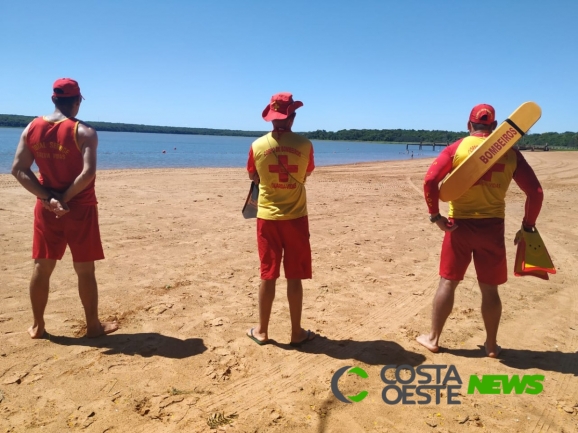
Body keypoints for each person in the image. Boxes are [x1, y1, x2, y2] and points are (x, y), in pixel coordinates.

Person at [416, 104, 543, 358]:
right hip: (492, 228)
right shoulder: (511, 153)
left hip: (458, 226)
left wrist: (435, 216)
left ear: (468, 125)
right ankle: (492, 346)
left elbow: (430, 181)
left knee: (448, 283)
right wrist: (528, 224)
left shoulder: (456, 148)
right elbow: (535, 192)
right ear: (495, 127)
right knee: (489, 289)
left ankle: (433, 339)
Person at [11, 78, 118, 339]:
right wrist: (64, 199)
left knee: (41, 267)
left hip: (47, 208)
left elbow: (18, 169)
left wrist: (49, 200)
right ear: (78, 101)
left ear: (53, 100)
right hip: (79, 208)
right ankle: (92, 327)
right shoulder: (85, 132)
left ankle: (38, 326)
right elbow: (87, 174)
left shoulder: (32, 127)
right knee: (84, 269)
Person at [245, 92, 316, 347]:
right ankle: (296, 332)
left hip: (266, 217)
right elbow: (307, 172)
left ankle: (262, 331)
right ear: (292, 116)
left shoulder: (256, 146)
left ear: (272, 118)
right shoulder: (305, 144)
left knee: (268, 274)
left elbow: (253, 176)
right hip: (296, 217)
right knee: (294, 276)